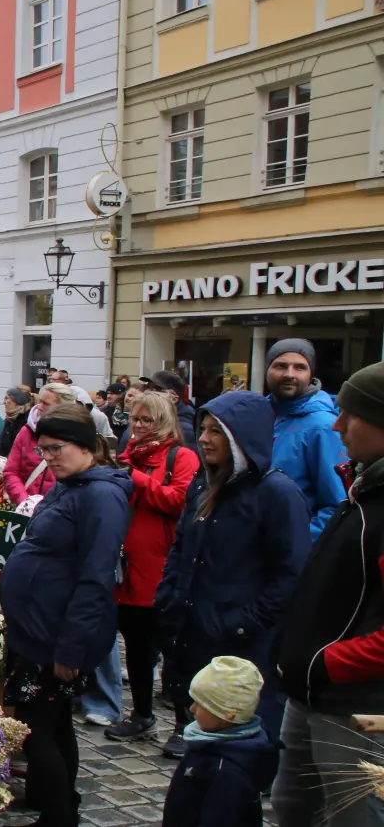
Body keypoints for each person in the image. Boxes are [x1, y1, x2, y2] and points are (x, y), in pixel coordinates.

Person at [155, 391, 309, 759]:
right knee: (201, 750)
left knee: (238, 757)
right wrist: (169, 596)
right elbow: (182, 547)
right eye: (203, 429)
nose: (204, 438)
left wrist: (240, 623)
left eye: (216, 431)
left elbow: (291, 575)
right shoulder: (203, 485)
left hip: (243, 648)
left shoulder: (276, 494)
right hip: (195, 635)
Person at [0, 403, 132, 827]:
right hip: (36, 628)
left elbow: (96, 578)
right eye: (42, 451)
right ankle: (59, 804)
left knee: (37, 728)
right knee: (55, 725)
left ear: (88, 447)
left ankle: (58, 817)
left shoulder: (101, 495)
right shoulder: (71, 485)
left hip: (55, 636)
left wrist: (71, 648)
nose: (49, 459)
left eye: (57, 449)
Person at [273, 360, 384, 826]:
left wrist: (324, 664)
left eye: (349, 414)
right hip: (312, 693)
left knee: (353, 817)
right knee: (293, 807)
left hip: (356, 705)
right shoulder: (363, 483)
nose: (336, 425)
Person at [104, 391, 200, 744]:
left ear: (163, 422)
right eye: (135, 420)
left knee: (172, 651)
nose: (140, 427)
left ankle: (183, 723)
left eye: (147, 421)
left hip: (160, 566)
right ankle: (142, 714)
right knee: (137, 648)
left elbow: (180, 501)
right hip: (127, 567)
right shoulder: (128, 455)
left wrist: (137, 479)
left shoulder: (181, 456)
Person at [161, 657, 278, 827]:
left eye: (201, 705)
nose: (192, 709)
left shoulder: (226, 774)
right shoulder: (206, 740)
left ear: (227, 714)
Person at [264, 338, 348, 541]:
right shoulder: (258, 415)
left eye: (299, 367)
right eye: (281, 366)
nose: (289, 374)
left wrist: (297, 547)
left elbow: (337, 504)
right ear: (267, 369)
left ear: (311, 375)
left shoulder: (323, 426)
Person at [1, 383, 79, 506]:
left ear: (63, 408)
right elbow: (10, 472)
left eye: (46, 404)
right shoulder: (26, 432)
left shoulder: (76, 437)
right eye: (41, 401)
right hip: (25, 510)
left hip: (60, 510)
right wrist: (25, 502)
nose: (39, 407)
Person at [140, 370, 198, 449]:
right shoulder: (150, 420)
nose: (149, 392)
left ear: (174, 398)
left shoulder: (183, 430)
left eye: (156, 389)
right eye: (148, 387)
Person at [0, 387, 32, 461]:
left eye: (7, 398)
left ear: (16, 401)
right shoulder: (9, 420)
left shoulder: (27, 421)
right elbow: (1, 446)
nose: (4, 402)